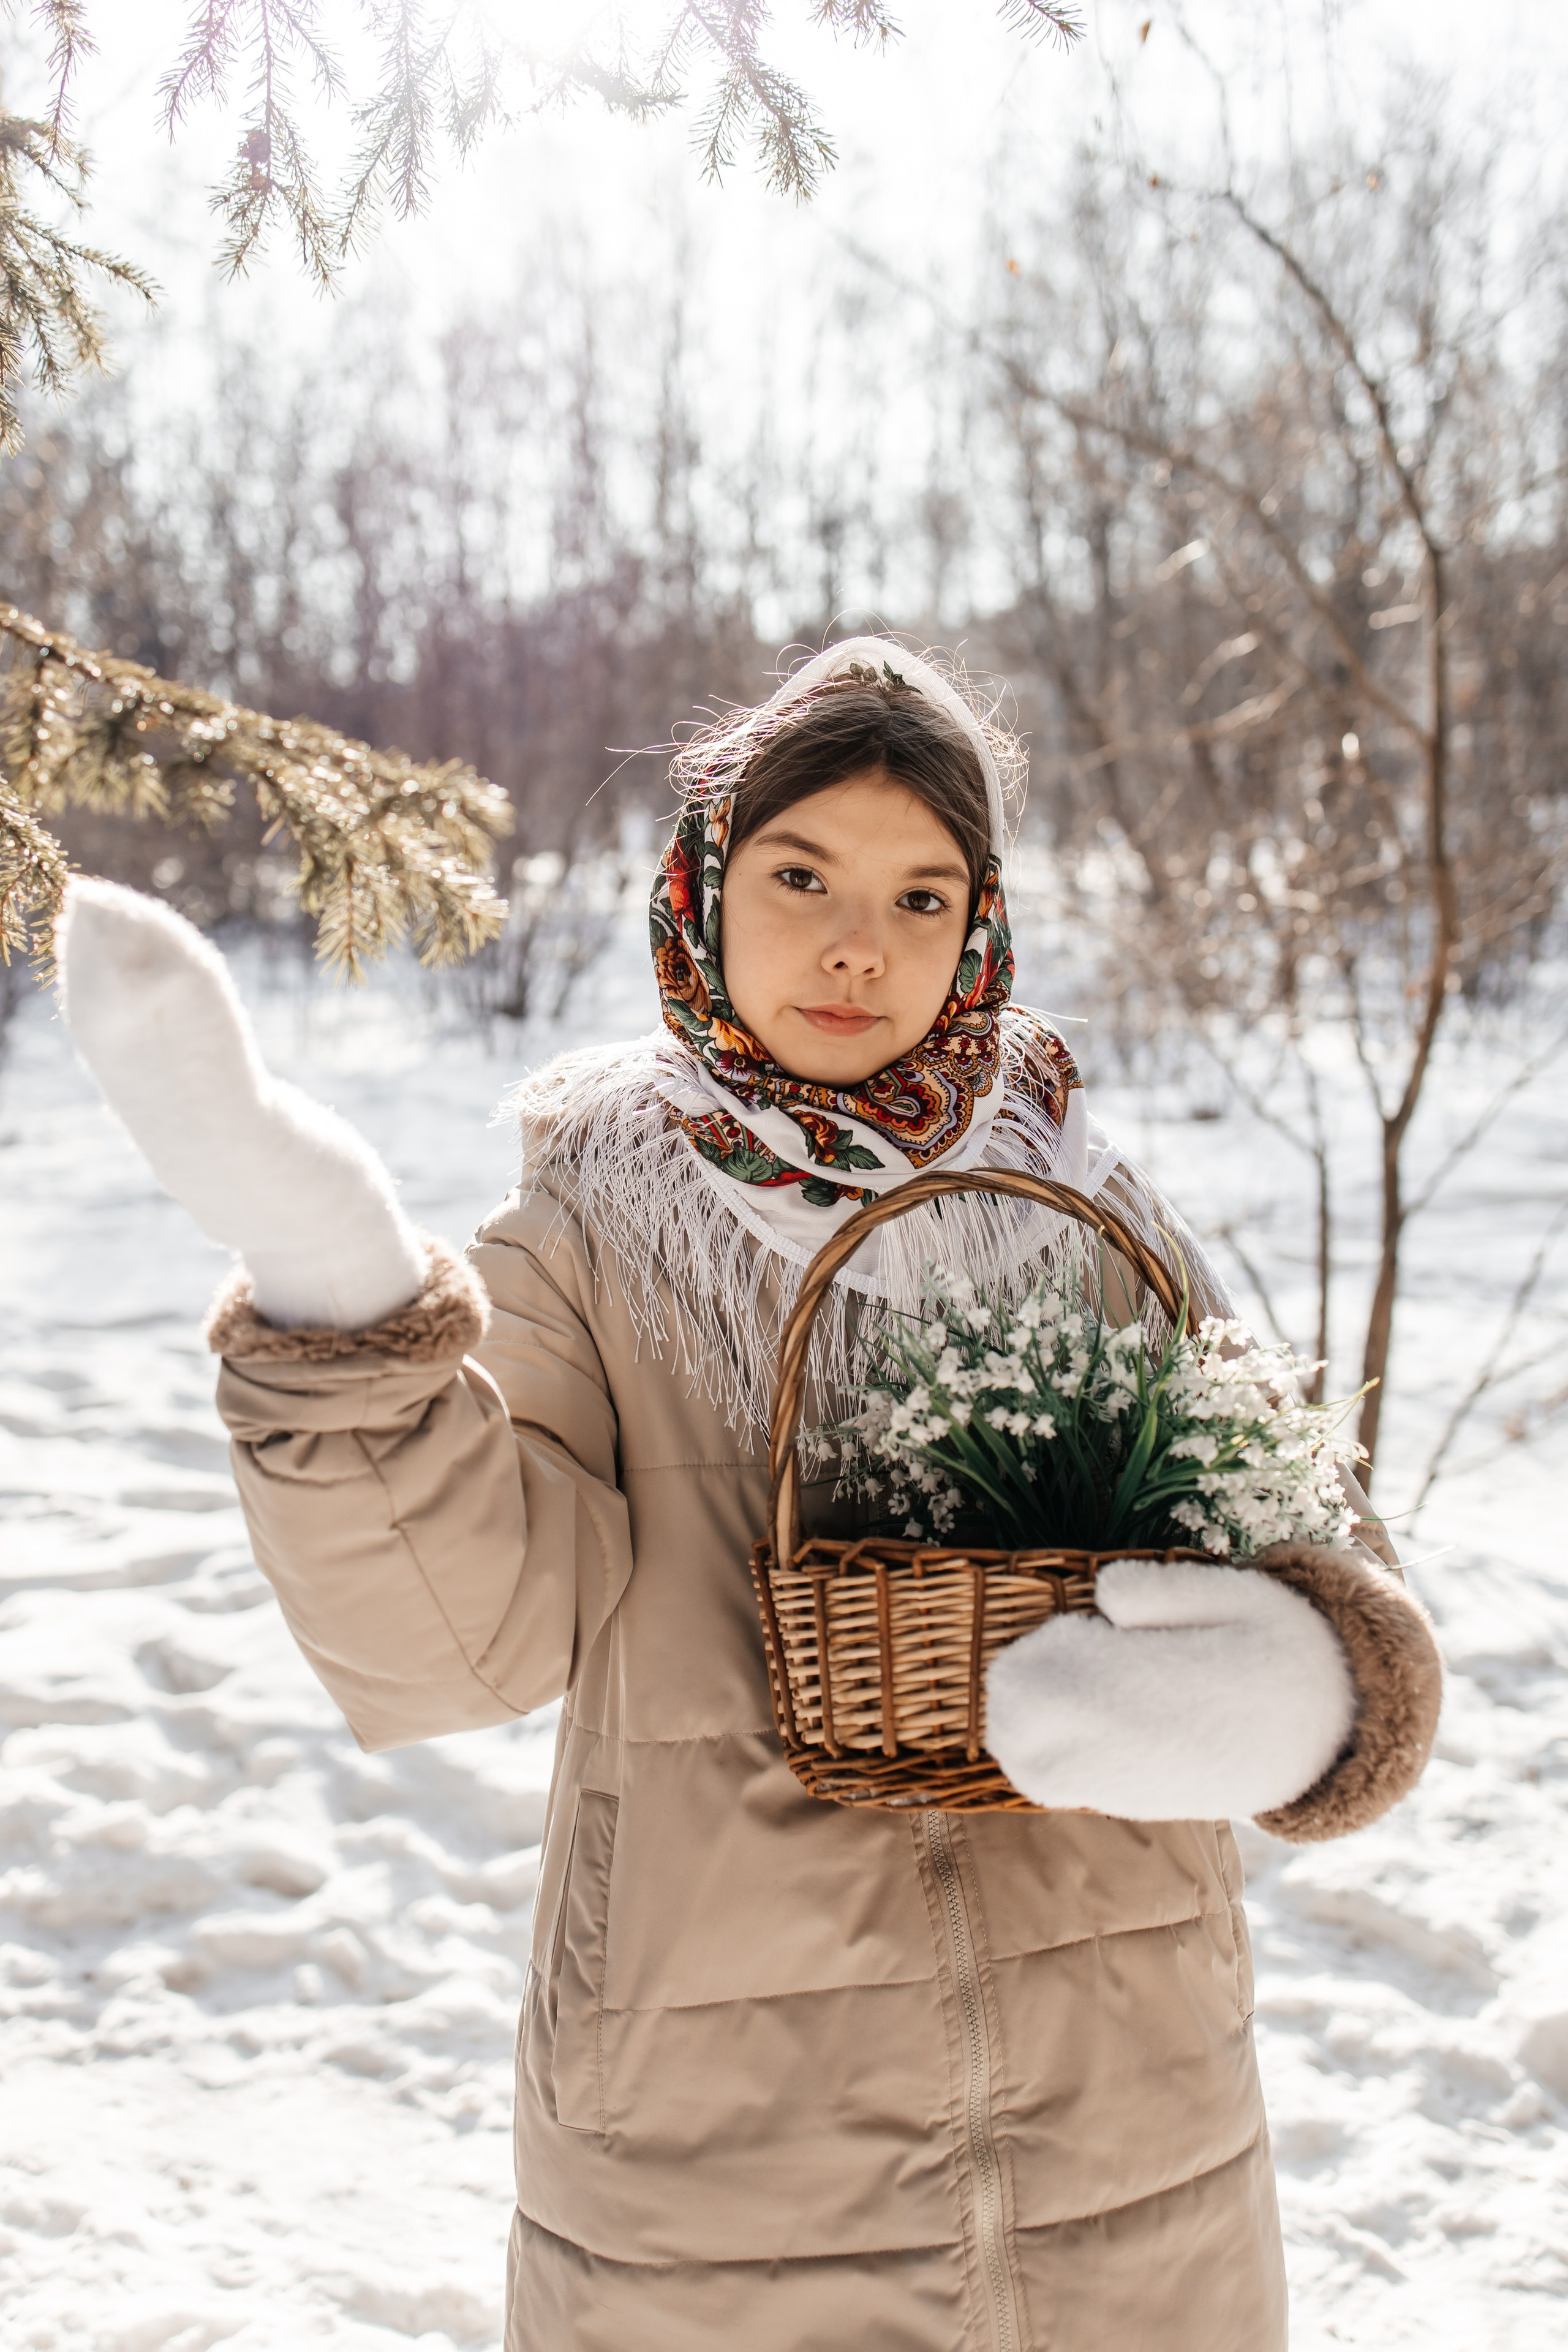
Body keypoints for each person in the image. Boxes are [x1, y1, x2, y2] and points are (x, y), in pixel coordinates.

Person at [59, 640, 1441, 2351]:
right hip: (726, 2169)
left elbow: (1312, 1532)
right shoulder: (595, 1226)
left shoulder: (1088, 1209)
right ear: (704, 890)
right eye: (803, 877)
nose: (862, 945)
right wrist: (341, 1305)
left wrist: (1293, 1685)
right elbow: (462, 1630)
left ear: (982, 927)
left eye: (924, 895)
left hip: (1133, 2145)